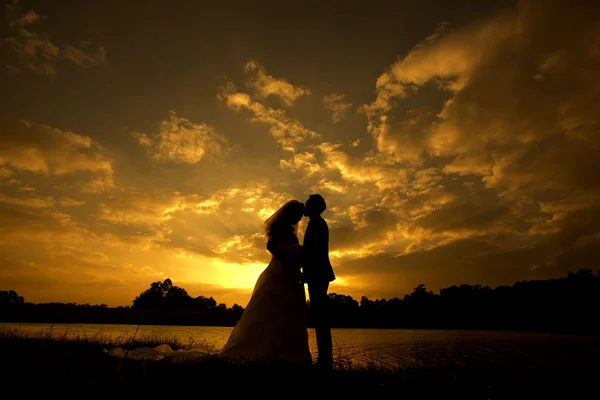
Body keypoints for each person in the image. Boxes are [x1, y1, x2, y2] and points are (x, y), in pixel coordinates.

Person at [218, 200, 312, 364]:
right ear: (290, 214)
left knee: (289, 313)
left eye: (300, 215)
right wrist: (288, 256)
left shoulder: (289, 230)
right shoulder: (283, 230)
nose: (298, 218)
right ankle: (274, 352)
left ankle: (284, 352)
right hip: (280, 274)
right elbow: (272, 246)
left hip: (289, 273)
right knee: (273, 311)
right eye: (296, 214)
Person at [302, 194, 335, 368]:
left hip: (318, 274)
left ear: (314, 206)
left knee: (320, 315)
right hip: (318, 274)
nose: (305, 208)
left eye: (307, 204)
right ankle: (325, 359)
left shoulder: (317, 224)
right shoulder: (316, 223)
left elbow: (313, 252)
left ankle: (325, 360)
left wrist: (305, 272)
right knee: (319, 314)